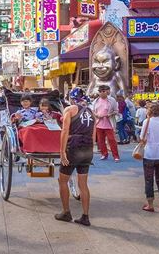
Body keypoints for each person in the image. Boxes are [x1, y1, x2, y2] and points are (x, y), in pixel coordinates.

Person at [55, 87, 95, 226]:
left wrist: (62, 151)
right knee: (83, 184)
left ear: (71, 98)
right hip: (88, 148)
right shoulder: (92, 112)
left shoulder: (70, 110)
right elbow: (93, 135)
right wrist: (92, 150)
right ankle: (85, 216)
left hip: (74, 147)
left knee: (62, 180)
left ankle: (66, 212)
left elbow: (65, 130)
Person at [93, 85, 119, 161]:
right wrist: (96, 115)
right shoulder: (96, 101)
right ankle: (104, 154)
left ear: (106, 92)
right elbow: (93, 111)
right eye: (100, 91)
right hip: (99, 123)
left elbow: (116, 111)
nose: (102, 93)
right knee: (101, 141)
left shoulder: (112, 100)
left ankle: (116, 156)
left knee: (112, 140)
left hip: (109, 123)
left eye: (103, 91)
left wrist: (109, 114)